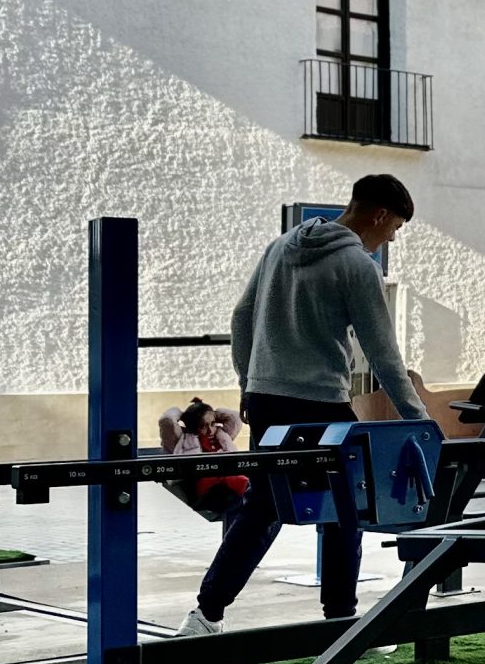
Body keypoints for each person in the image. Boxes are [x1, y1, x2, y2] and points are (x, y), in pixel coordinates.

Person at [174, 177, 429, 637]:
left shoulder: (280, 247)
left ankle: (205, 615)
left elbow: (241, 317)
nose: (392, 237)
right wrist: (420, 421)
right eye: (395, 227)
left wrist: (248, 384)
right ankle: (342, 621)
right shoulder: (357, 265)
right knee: (346, 506)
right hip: (321, 405)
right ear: (379, 216)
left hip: (267, 401)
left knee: (262, 508)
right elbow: (382, 351)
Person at [157, 396, 249, 521]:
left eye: (213, 424)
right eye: (203, 426)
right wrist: (183, 414)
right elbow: (166, 420)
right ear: (193, 427)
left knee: (247, 496)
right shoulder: (183, 440)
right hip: (204, 489)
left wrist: (212, 413)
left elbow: (235, 417)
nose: (210, 430)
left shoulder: (222, 437)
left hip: (227, 484)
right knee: (242, 492)